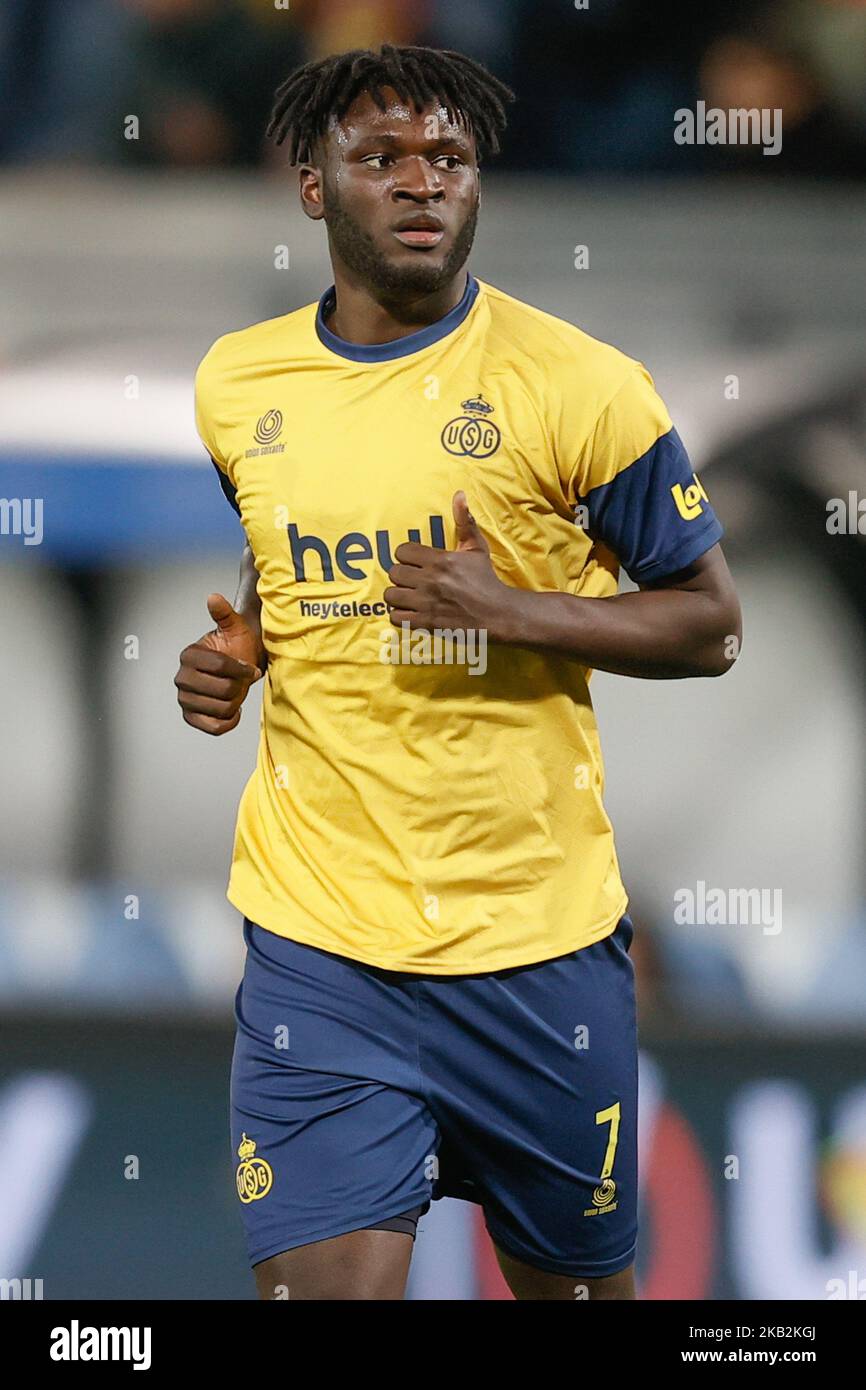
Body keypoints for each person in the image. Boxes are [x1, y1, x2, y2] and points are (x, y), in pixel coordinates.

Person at [175, 43, 741, 1301]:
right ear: (314, 187)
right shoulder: (237, 384)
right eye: (383, 158)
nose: (422, 182)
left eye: (449, 158)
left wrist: (512, 608)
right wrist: (244, 648)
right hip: (322, 948)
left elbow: (708, 624)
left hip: (536, 953)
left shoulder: (583, 390)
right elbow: (288, 554)